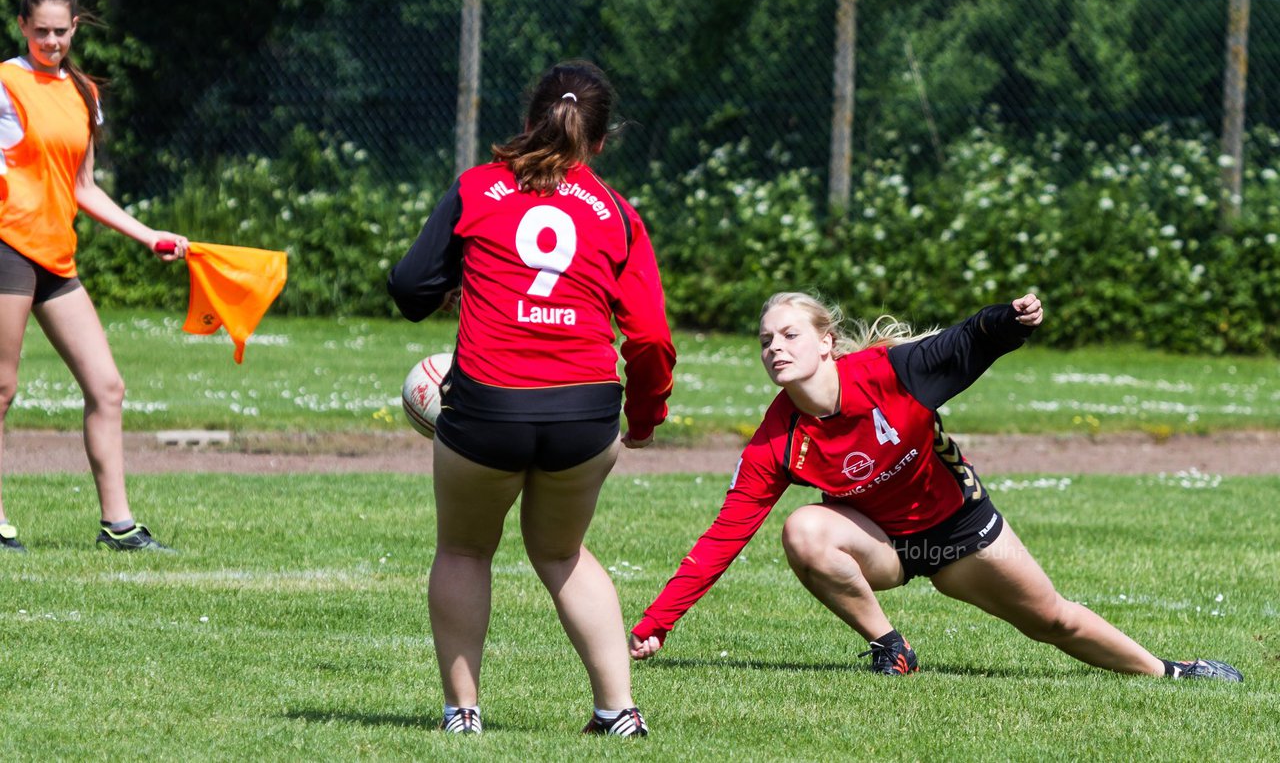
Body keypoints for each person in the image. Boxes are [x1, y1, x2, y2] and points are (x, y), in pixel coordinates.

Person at [629, 291, 1243, 684]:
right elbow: (726, 532)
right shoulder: (777, 437)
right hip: (887, 549)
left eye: (789, 335)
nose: (775, 347)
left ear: (824, 342)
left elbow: (965, 344)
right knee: (804, 529)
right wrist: (659, 621)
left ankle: (1172, 671)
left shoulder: (890, 373)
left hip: (958, 534)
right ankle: (890, 647)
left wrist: (1008, 320)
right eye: (766, 340)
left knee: (1052, 620)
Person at [388, 60, 676, 736]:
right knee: (562, 553)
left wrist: (457, 279)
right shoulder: (617, 213)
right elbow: (653, 339)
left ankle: (464, 714)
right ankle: (617, 711)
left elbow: (409, 288)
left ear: (527, 121)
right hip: (585, 412)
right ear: (600, 142)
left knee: (464, 551)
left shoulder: (477, 188)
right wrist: (643, 418)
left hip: (488, 403)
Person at [0, 0, 188, 553]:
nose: (50, 42)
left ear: (75, 28)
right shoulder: (5, 82)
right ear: (22, 27)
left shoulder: (83, 92)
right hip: (6, 246)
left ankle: (120, 526)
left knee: (107, 386)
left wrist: (146, 234)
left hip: (56, 254)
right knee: (1, 387)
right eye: (40, 32)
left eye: (60, 32)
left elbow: (82, 186)